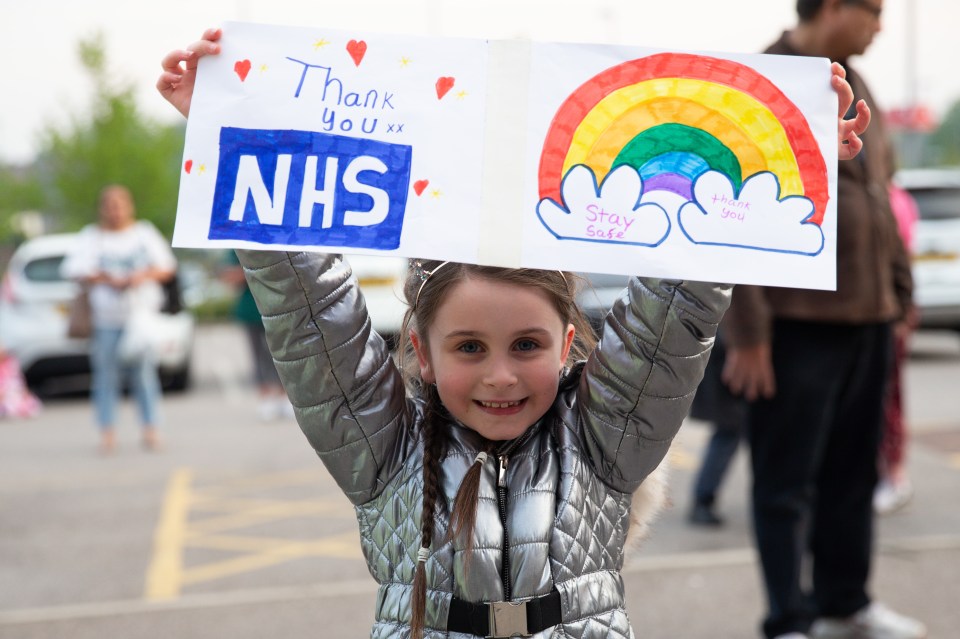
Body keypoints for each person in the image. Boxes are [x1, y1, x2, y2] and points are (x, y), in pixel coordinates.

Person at [158, 28, 868, 638]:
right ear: (421, 352)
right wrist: (226, 129)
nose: (500, 374)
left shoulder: (605, 438)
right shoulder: (382, 450)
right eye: (469, 347)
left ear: (567, 346)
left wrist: (795, 154)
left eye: (526, 345)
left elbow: (678, 301)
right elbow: (307, 310)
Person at [720, 1, 925, 638]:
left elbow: (880, 200)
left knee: (853, 473)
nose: (881, 25)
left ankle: (845, 602)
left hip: (868, 319)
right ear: (836, 6)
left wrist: (900, 295)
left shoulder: (856, 81)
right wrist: (749, 333)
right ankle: (788, 619)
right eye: (874, 11)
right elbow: (734, 209)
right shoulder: (766, 80)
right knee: (785, 483)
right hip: (795, 322)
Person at [61, 185, 177, 454]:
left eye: (119, 204)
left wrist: (140, 277)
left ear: (129, 206)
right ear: (102, 208)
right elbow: (72, 268)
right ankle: (107, 431)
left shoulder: (143, 234)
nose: (115, 211)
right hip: (106, 320)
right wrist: (104, 278)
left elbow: (167, 267)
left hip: (139, 319)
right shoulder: (91, 237)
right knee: (105, 377)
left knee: (144, 374)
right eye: (109, 205)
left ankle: (151, 428)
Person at [874, 183, 920, 515]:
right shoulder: (897, 197)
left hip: (884, 315)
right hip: (887, 313)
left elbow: (898, 256)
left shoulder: (885, 198)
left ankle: (894, 475)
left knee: (887, 399)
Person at [219, 251, 291, 421]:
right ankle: (265, 396)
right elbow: (229, 276)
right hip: (251, 310)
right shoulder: (237, 248)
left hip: (278, 308)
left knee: (281, 354)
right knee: (258, 355)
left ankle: (284, 396)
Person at [687, 328, 747, 527]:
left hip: (732, 354)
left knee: (728, 434)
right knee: (728, 434)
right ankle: (703, 499)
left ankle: (703, 499)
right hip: (735, 358)